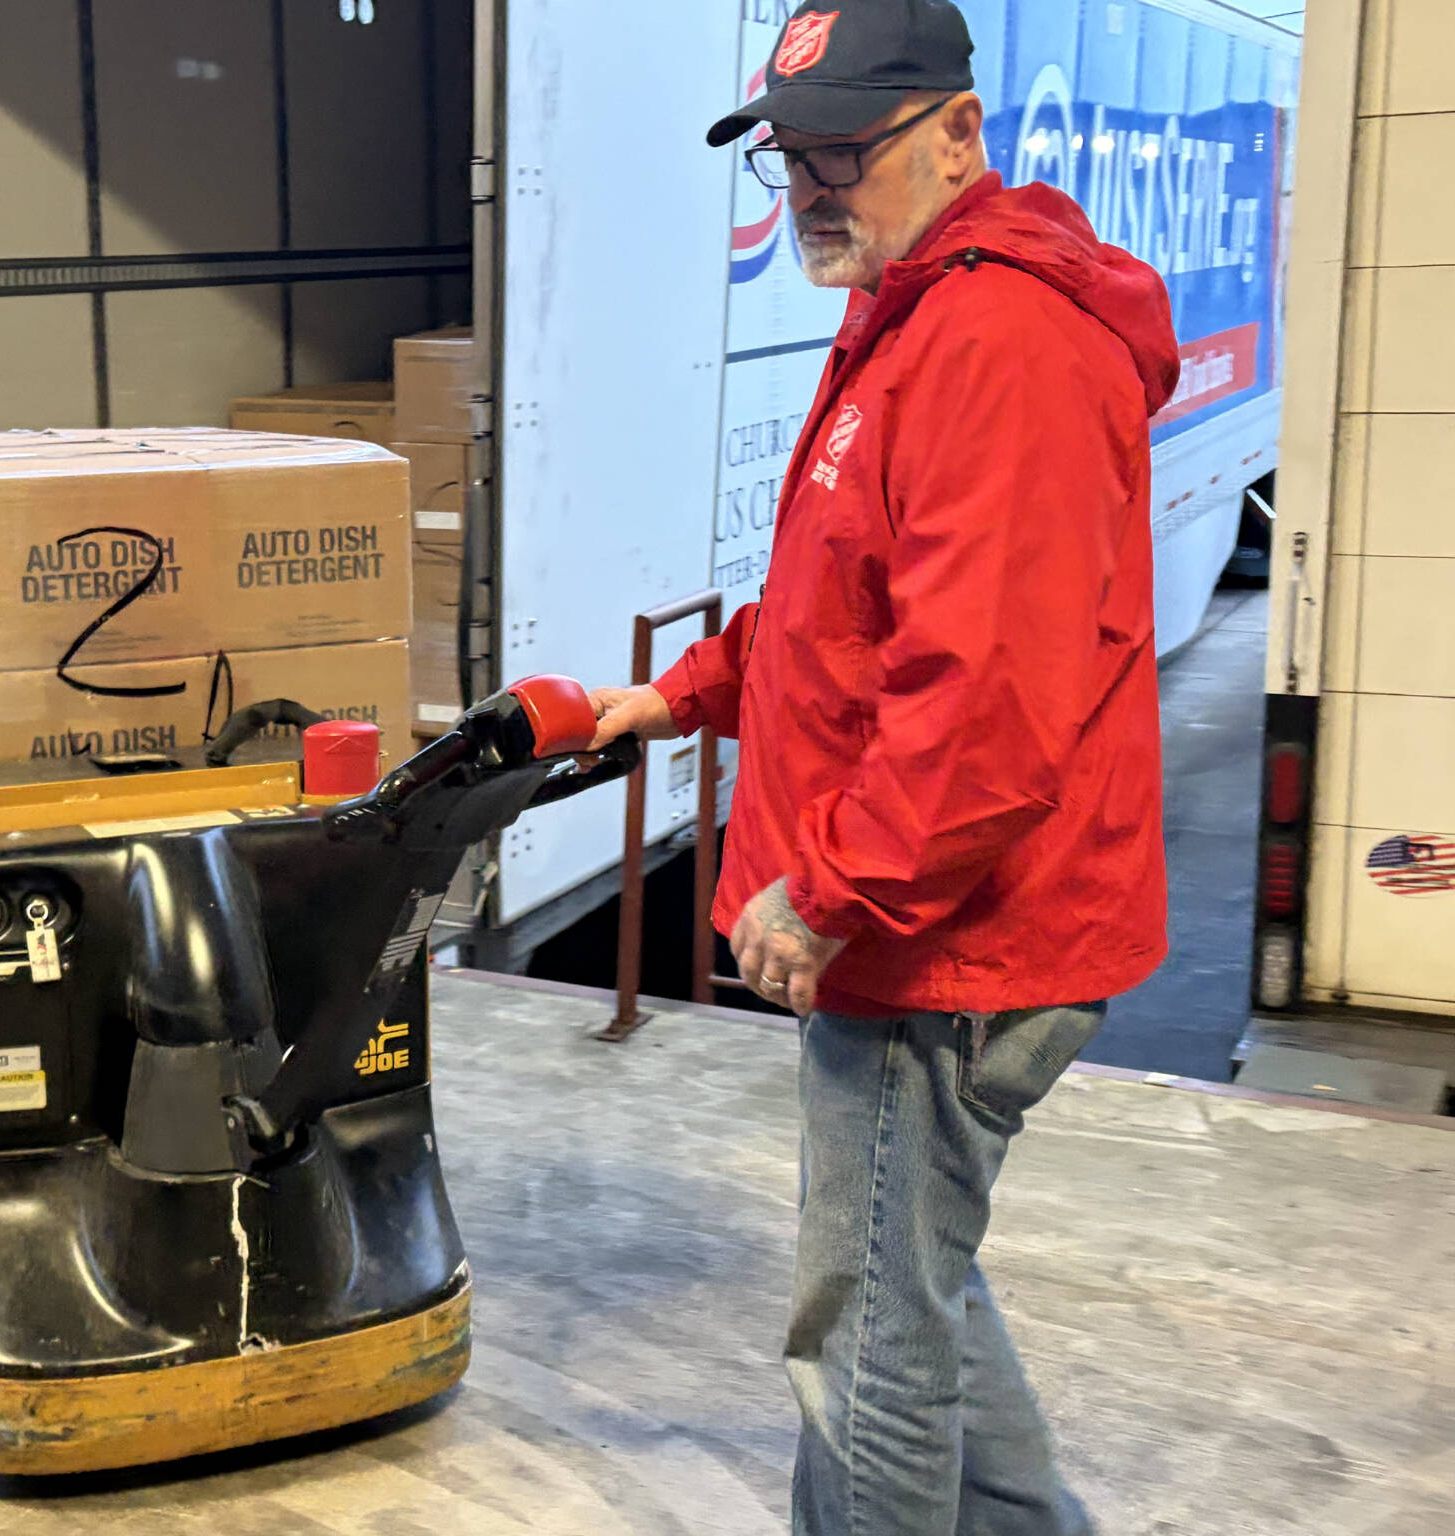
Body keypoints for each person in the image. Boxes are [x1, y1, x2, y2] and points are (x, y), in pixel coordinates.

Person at [588, 3, 1178, 1532]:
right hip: (933, 925)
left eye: (848, 148)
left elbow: (984, 696)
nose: (811, 186)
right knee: (916, 1286)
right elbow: (844, 612)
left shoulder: (1001, 343)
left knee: (865, 1339)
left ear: (960, 134)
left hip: (952, 947)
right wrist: (675, 697)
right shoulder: (916, 311)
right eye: (791, 155)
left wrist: (837, 892)